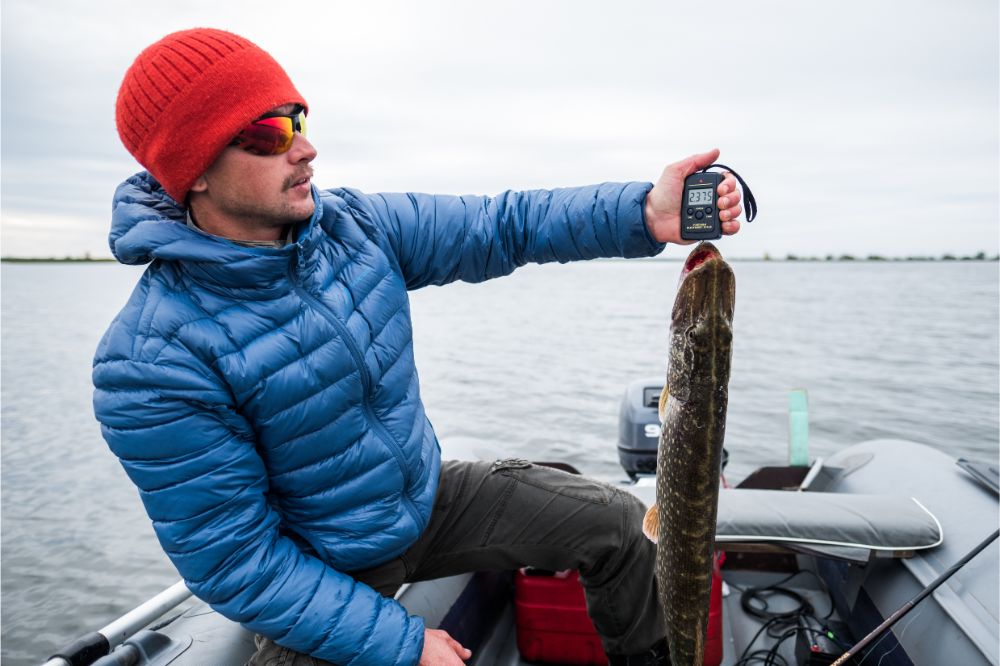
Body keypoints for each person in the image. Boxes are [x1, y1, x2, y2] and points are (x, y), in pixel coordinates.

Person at [94, 28, 742, 666]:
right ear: (193, 168)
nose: (305, 149)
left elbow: (503, 225)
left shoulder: (355, 228)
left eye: (298, 120)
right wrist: (401, 645)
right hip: (323, 565)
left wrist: (643, 214)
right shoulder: (151, 360)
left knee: (617, 527)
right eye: (269, 134)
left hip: (429, 504)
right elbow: (236, 561)